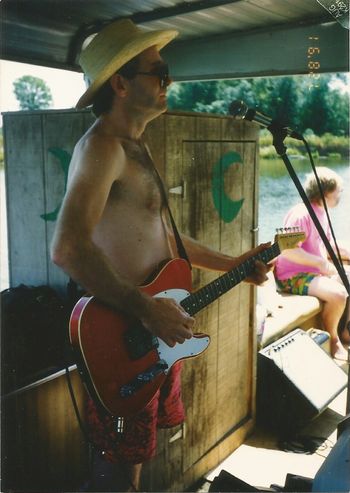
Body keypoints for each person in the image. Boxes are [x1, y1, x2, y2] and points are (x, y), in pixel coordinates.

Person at [51, 19, 269, 491]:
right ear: (121, 83)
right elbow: (68, 249)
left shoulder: (137, 145)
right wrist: (147, 308)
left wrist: (235, 265)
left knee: (134, 464)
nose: (170, 81)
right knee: (115, 476)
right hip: (124, 334)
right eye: (159, 71)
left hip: (151, 334)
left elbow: (168, 242)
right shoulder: (102, 148)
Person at [274, 167, 350, 361]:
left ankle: (347, 332)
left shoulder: (321, 212)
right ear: (325, 192)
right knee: (339, 294)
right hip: (292, 276)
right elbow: (288, 249)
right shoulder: (301, 214)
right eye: (338, 191)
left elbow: (327, 244)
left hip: (312, 273)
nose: (340, 195)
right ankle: (333, 338)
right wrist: (320, 263)